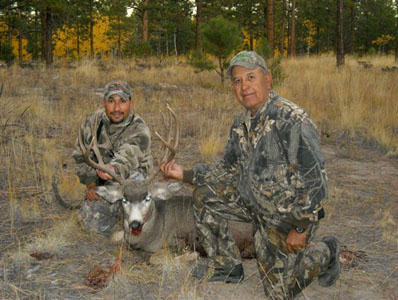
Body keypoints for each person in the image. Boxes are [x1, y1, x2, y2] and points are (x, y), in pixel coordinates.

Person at [160, 51, 340, 299]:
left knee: (280, 292)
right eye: (237, 81)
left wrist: (301, 226)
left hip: (286, 216)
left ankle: (326, 251)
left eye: (251, 77)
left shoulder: (292, 120)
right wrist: (185, 174)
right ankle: (228, 266)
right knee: (204, 195)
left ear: (268, 79)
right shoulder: (241, 124)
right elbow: (226, 170)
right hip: (252, 204)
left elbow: (316, 181)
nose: (244, 87)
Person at [72, 80, 153, 234]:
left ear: (130, 103)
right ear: (104, 102)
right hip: (103, 183)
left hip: (132, 181)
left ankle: (132, 212)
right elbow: (80, 157)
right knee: (93, 225)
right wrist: (91, 185)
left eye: (122, 101)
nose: (116, 108)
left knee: (141, 217)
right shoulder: (91, 123)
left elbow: (128, 155)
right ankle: (119, 211)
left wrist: (113, 168)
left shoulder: (139, 128)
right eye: (111, 101)